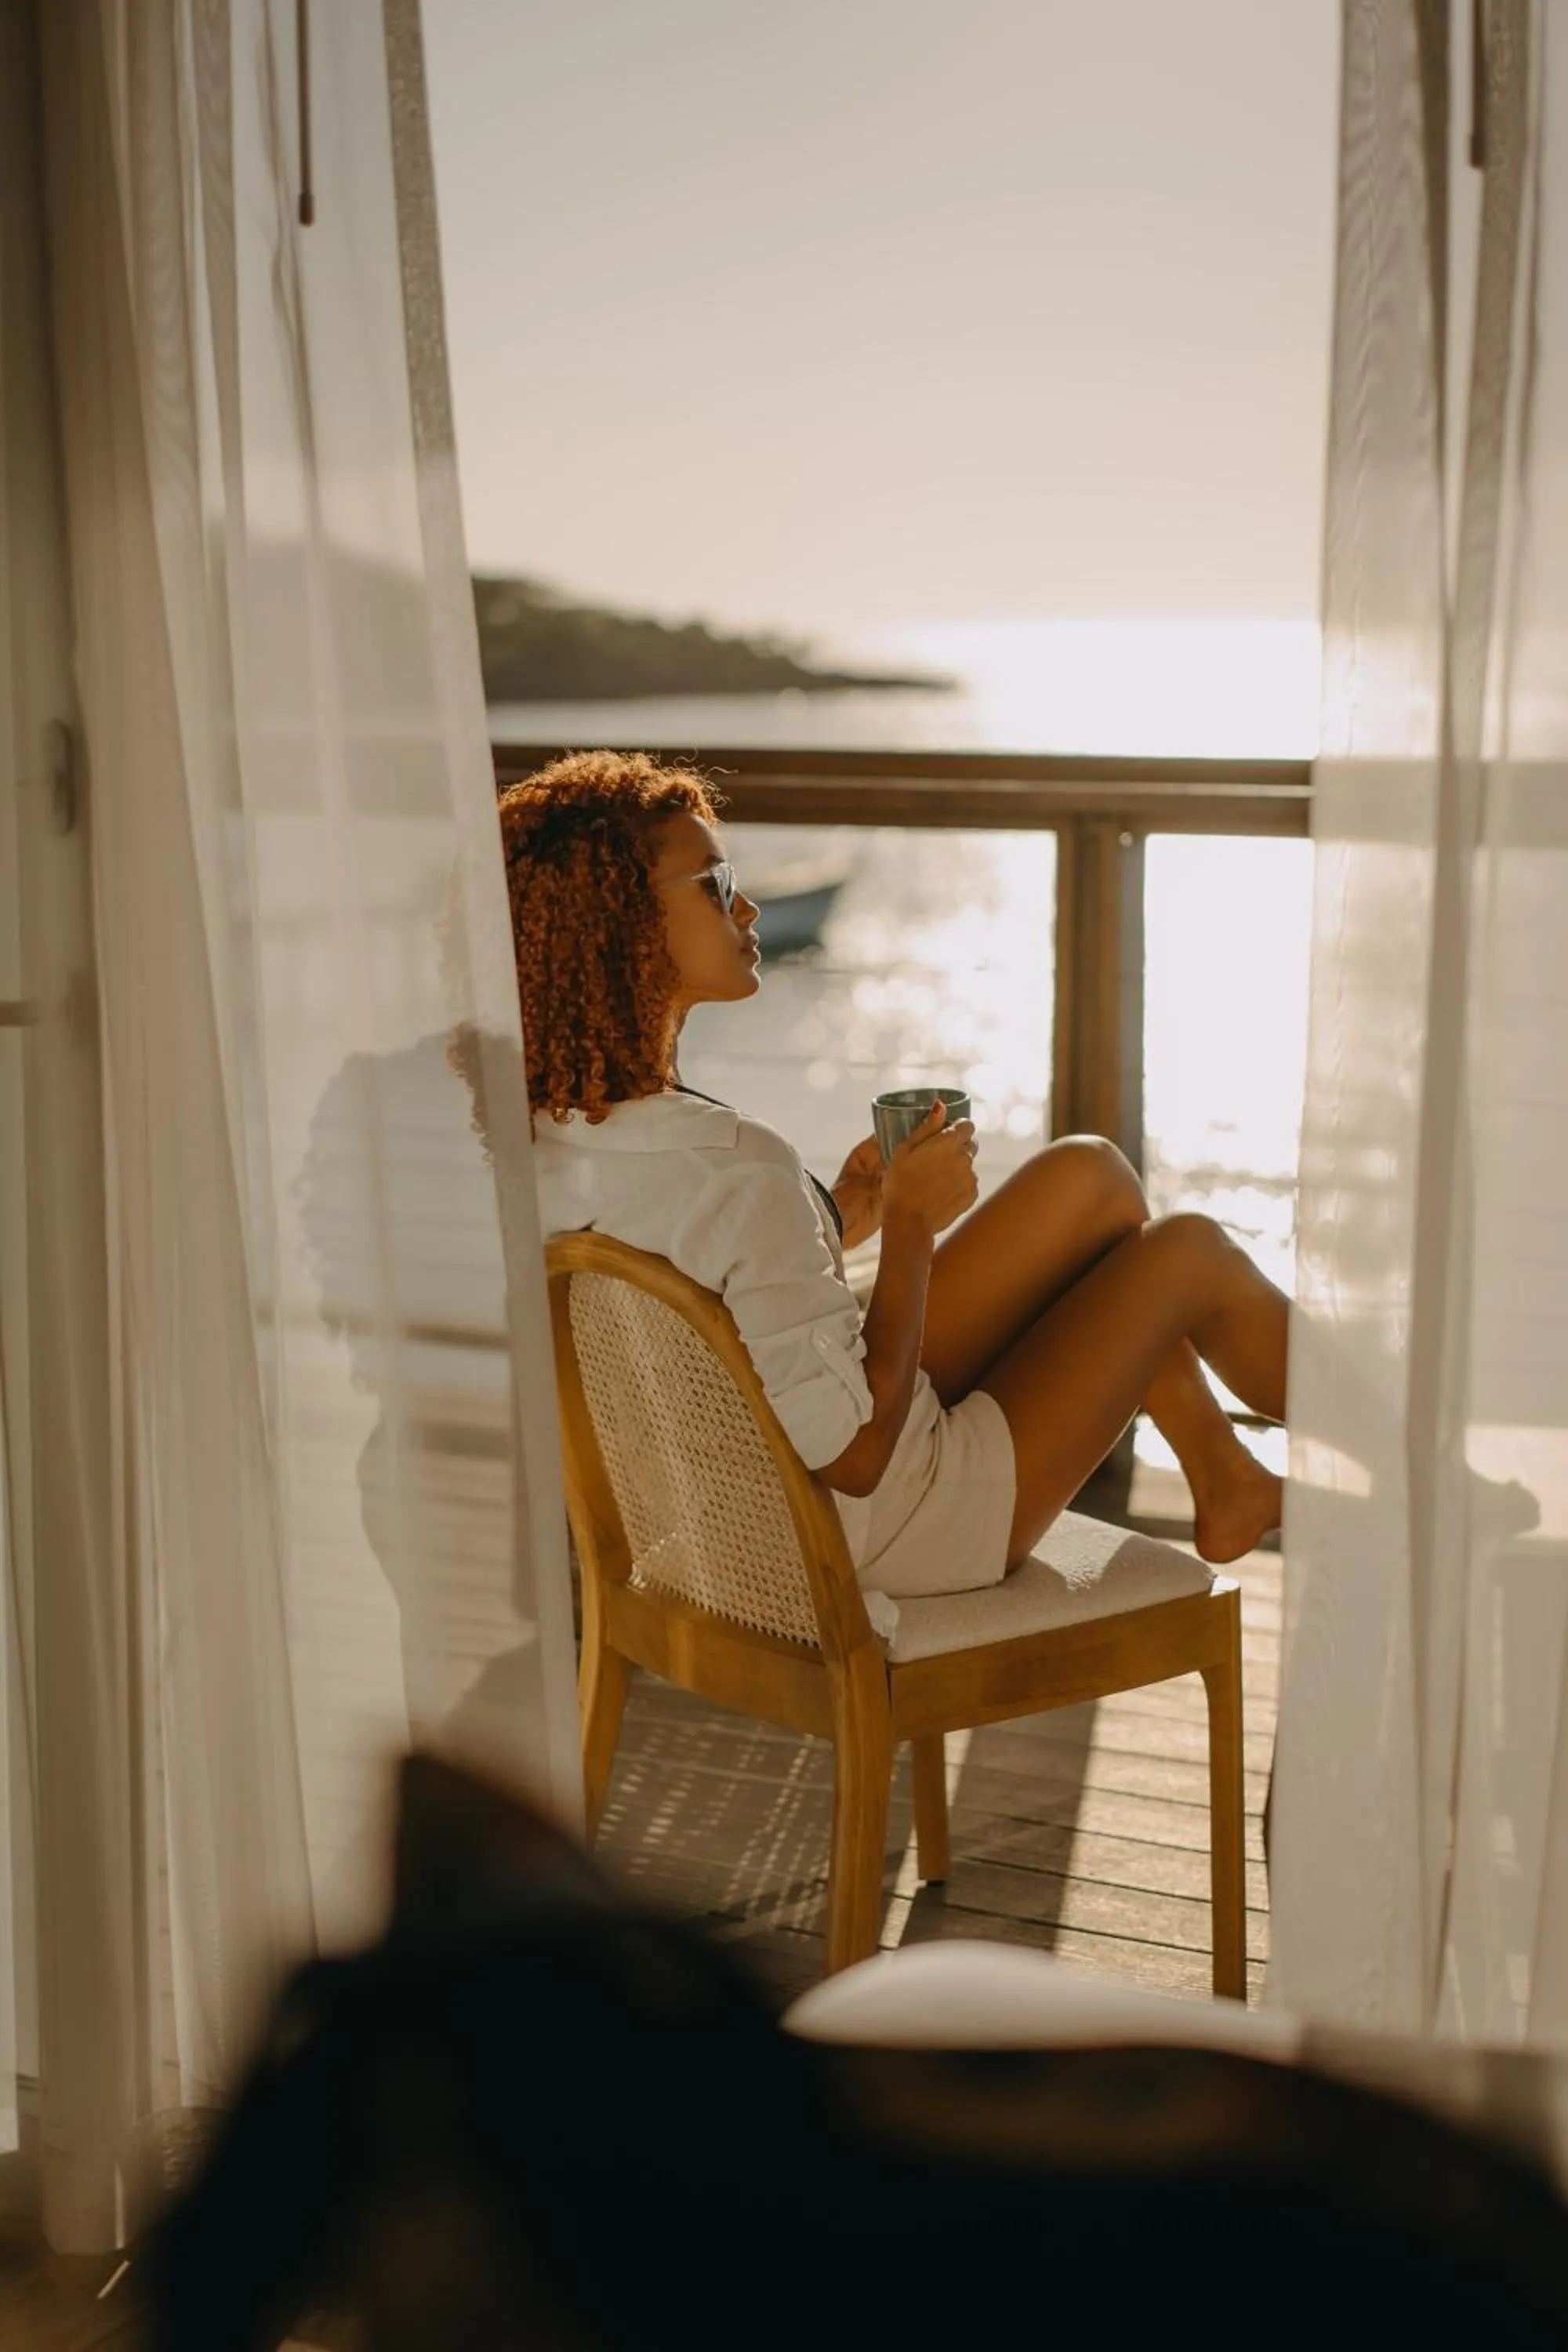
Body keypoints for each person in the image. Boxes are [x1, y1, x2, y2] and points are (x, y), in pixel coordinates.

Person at [510, 749, 1288, 1606]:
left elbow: (701, 1268)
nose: (748, 904)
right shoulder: (740, 1163)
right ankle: (1412, 1464)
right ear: (622, 925)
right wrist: (913, 1226)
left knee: (1088, 1180)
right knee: (1183, 1254)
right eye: (714, 883)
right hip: (876, 1526)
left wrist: (837, 1215)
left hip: (731, 1505)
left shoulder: (551, 1134)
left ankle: (1224, 1477)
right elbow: (854, 1459)